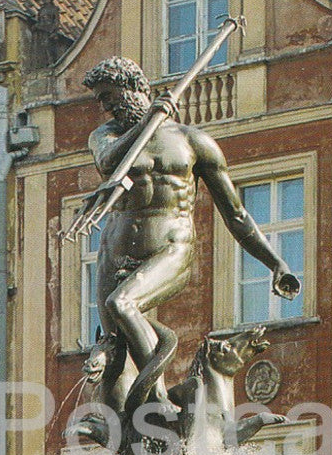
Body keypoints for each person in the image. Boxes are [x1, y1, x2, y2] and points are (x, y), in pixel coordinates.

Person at [77, 56, 300, 421]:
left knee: (123, 305)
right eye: (100, 100)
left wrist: (276, 262)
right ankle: (125, 443)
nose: (105, 107)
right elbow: (109, 162)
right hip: (113, 255)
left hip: (170, 248)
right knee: (114, 362)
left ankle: (160, 396)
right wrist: (150, 120)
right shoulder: (106, 137)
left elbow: (237, 214)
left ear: (135, 89)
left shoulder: (192, 142)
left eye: (109, 96)